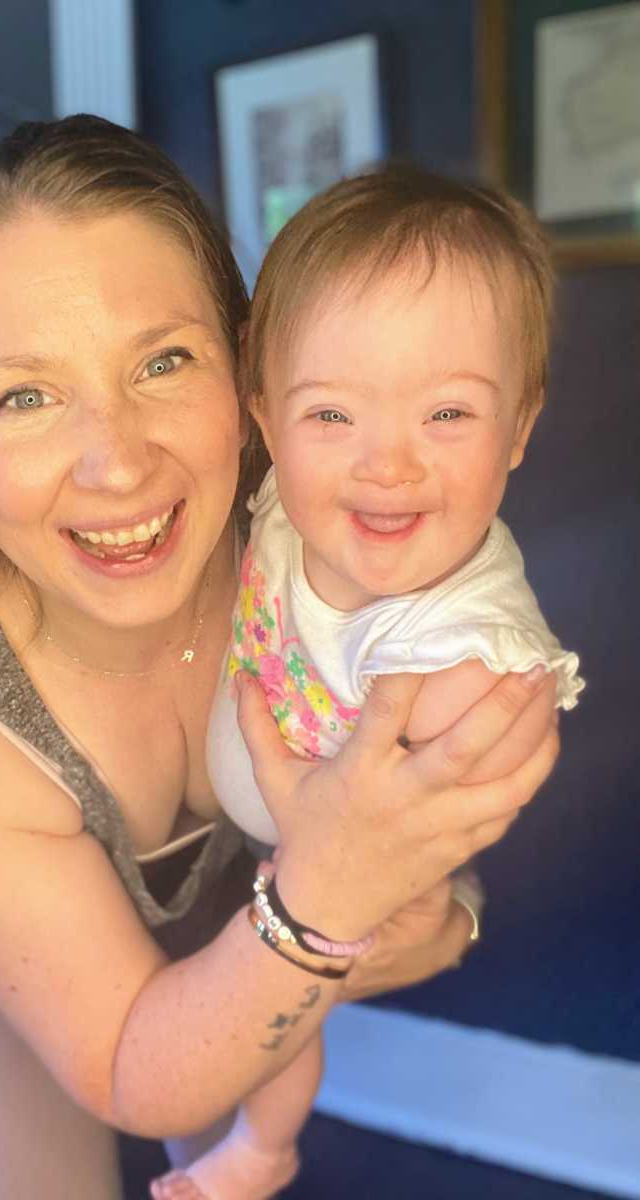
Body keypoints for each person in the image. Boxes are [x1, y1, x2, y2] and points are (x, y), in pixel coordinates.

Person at [0, 117, 559, 1200]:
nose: (118, 464)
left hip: (245, 910)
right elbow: (132, 1065)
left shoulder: (314, 541)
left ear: (246, 363)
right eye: (24, 394)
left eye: (164, 360)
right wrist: (326, 900)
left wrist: (433, 899)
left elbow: (414, 879)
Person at [156, 166, 583, 1200]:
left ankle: (262, 1151)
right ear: (261, 415)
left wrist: (347, 857)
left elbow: (489, 768)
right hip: (257, 828)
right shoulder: (280, 501)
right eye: (333, 417)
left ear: (519, 428)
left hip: (353, 873)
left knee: (267, 1018)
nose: (386, 464)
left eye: (446, 415)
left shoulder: (459, 653)